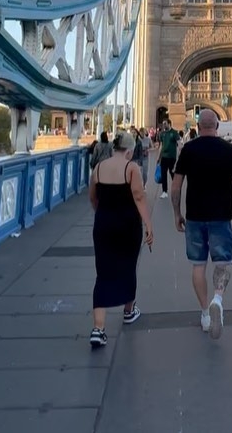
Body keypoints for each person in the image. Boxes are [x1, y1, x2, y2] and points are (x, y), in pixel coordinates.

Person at [170, 108, 232, 340]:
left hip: (194, 217)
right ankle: (218, 299)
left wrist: (176, 214)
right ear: (217, 125)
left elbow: (175, 187)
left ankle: (205, 313)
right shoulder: (229, 150)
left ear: (198, 125)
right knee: (222, 263)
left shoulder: (188, 149)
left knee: (198, 266)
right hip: (221, 216)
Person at [88, 131, 153, 348]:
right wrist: (148, 225)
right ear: (129, 150)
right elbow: (139, 196)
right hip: (127, 225)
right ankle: (128, 311)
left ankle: (98, 329)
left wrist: (103, 214)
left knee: (103, 272)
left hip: (103, 224)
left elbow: (93, 197)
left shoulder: (98, 168)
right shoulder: (131, 167)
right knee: (127, 267)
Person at [158, 119, 180, 199]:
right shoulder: (162, 134)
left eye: (165, 124)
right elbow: (161, 146)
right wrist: (158, 157)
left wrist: (179, 156)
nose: (164, 125)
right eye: (163, 124)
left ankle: (175, 189)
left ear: (169, 124)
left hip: (172, 157)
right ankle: (164, 191)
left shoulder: (174, 133)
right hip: (164, 157)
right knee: (163, 175)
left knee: (172, 174)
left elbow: (179, 143)